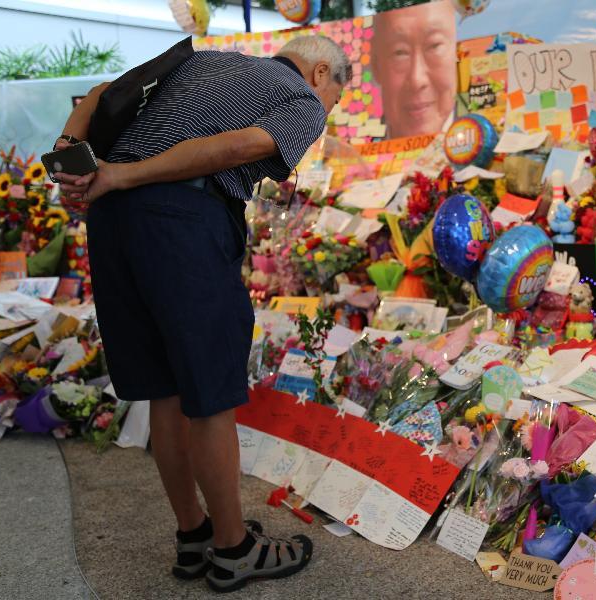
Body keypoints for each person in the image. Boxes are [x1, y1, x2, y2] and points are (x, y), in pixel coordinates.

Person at [53, 36, 348, 593]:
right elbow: (235, 148)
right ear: (320, 74)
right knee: (211, 393)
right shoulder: (302, 100)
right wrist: (122, 174)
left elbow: (96, 94)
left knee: (165, 389)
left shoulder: (206, 61)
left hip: (112, 226)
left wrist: (72, 155)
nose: (325, 113)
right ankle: (234, 550)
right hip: (179, 220)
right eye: (334, 99)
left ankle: (194, 537)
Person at [370, 0, 458, 139]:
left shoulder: (486, 138)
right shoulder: (350, 153)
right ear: (375, 64)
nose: (417, 80)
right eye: (399, 53)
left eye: (434, 46)